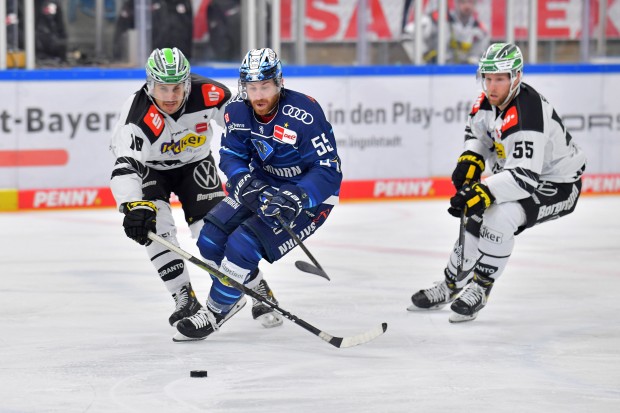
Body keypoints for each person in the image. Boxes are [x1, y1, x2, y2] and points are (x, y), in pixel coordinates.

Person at [407, 43, 586, 322]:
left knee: (499, 216)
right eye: (488, 78)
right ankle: (451, 284)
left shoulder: (527, 113)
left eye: (500, 78)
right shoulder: (485, 103)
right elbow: (479, 134)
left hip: (558, 185)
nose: (492, 86)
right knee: (474, 216)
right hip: (521, 176)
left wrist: (484, 190)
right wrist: (472, 158)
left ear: (516, 77)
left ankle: (480, 288)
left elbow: (525, 178)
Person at [173, 47, 342, 341]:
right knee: (210, 239)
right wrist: (243, 182)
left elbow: (328, 170)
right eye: (252, 87)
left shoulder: (305, 113)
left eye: (265, 86)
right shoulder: (237, 110)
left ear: (279, 83)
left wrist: (298, 197)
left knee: (243, 245)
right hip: (263, 184)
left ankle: (213, 313)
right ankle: (255, 287)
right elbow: (231, 155)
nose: (258, 94)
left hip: (309, 199)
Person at [109, 47, 282, 333]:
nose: (170, 97)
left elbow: (247, 124)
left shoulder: (211, 93)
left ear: (188, 82)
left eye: (177, 87)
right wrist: (131, 205)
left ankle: (256, 286)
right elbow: (125, 165)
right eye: (162, 88)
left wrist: (268, 158)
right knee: (157, 228)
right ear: (150, 85)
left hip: (195, 165)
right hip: (151, 170)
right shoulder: (136, 115)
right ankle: (184, 297)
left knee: (212, 232)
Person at [402, 0, 489, 64]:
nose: (467, 6)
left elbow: (477, 58)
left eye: (471, 2)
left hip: (461, 78)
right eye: (463, 2)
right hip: (433, 74)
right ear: (456, 3)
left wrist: (469, 62)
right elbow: (408, 35)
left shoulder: (480, 31)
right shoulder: (437, 20)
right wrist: (425, 55)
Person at [113, 0, 194, 61]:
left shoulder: (183, 3)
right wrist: (118, 55)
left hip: (180, 58)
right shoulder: (139, 3)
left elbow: (188, 29)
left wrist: (187, 55)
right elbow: (122, 28)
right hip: (151, 59)